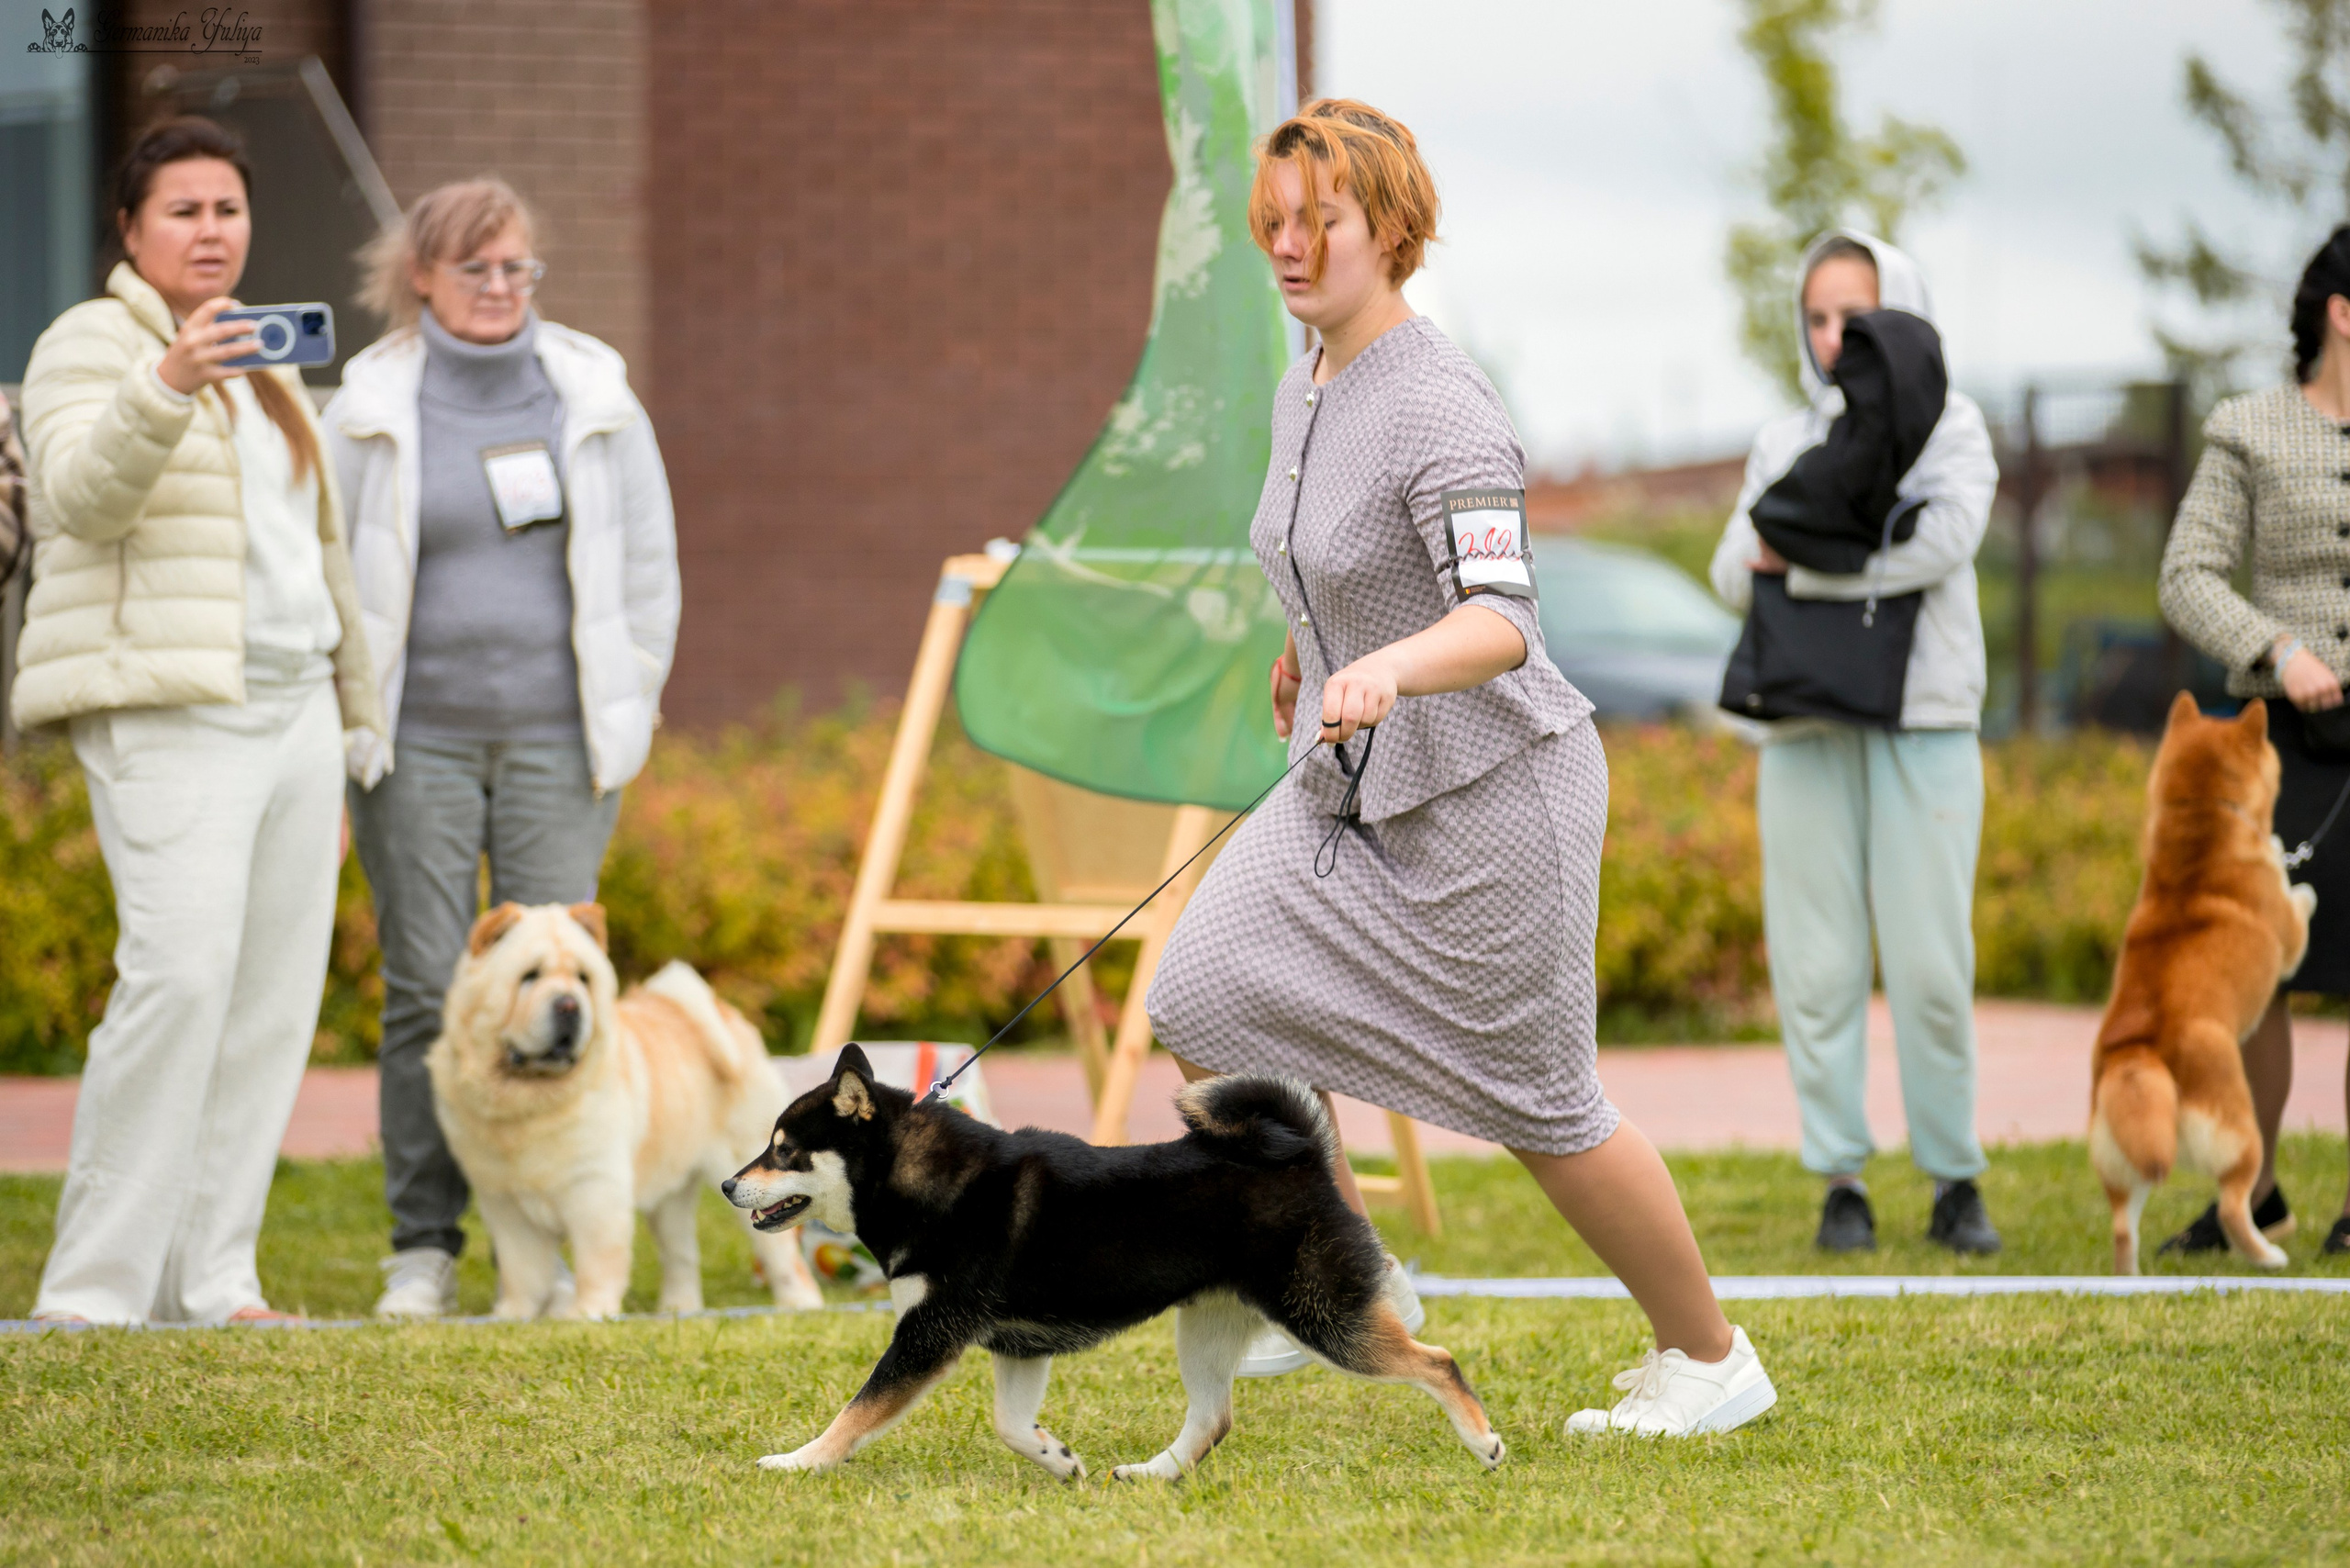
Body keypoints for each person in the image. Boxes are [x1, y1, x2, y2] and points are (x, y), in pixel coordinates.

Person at [1147, 99, 1776, 1438]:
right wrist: (1306, 649)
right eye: (1275, 223)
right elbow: (1328, 558)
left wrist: (1386, 668)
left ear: (1391, 226)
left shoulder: (1446, 401)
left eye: (1320, 221)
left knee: (1546, 1108)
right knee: (1204, 994)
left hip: (1502, 796)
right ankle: (1354, 1280)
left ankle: (1711, 1360)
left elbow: (1501, 618)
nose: (1290, 245)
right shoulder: (1302, 379)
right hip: (1352, 782)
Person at [16, 117, 386, 1326]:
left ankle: (216, 1277)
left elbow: (317, 557)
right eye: (183, 209)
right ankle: (95, 1291)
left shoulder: (269, 361)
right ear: (129, 229)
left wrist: (351, 716)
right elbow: (79, 499)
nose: (211, 230)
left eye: (227, 208)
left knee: (270, 1004)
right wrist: (166, 382)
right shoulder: (89, 344)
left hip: (291, 714)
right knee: (175, 983)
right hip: (174, 711)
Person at [330, 178, 681, 1318]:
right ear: (418, 276)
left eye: (515, 267)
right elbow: (329, 568)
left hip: (556, 743)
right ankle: (422, 1248)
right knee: (434, 992)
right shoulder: (367, 403)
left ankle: (569, 1238)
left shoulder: (593, 392)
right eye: (473, 268)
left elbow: (646, 571)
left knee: (562, 986)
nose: (497, 288)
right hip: (415, 741)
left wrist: (628, 702)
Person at [1708, 231, 2003, 1255]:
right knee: (1816, 963)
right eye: (1820, 317)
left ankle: (1953, 1177)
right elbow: (1724, 568)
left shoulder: (1952, 426)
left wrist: (1799, 560)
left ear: (1902, 314)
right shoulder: (1782, 437)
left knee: (1929, 963)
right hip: (1801, 722)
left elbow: (1945, 543)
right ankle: (1842, 1176)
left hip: (1924, 721)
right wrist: (1838, 551)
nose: (1835, 337)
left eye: (1857, 316)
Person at [2156, 224, 2350, 1260]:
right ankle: (2254, 1193)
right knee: (2261, 970)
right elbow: (2185, 574)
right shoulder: (2251, 429)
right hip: (2287, 749)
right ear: (2342, 314)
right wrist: (2277, 647)